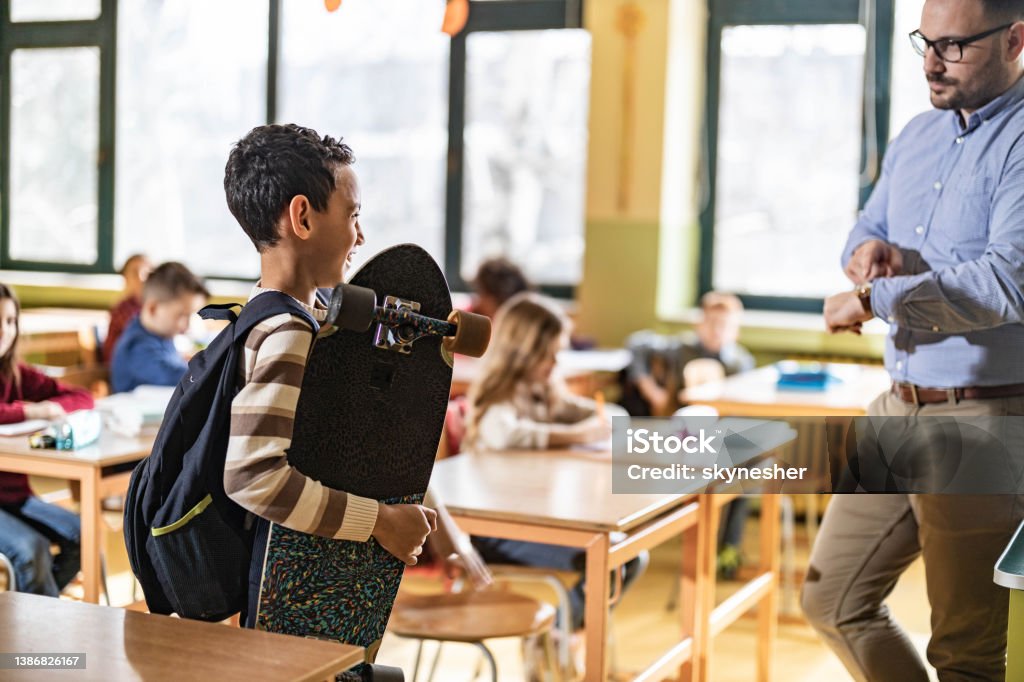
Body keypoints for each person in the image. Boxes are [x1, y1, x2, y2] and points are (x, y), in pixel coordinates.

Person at [814, 1, 1024, 679]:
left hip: (983, 420)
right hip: (896, 408)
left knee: (964, 652)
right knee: (831, 598)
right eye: (924, 43)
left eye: (954, 46)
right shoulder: (915, 135)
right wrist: (868, 251)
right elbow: (867, 222)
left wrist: (875, 298)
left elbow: (1006, 280)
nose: (931, 63)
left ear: (1016, 38)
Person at [221, 123, 459, 630]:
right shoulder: (288, 331)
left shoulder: (259, 312)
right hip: (285, 587)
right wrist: (380, 522)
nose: (361, 235)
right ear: (302, 217)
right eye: (353, 216)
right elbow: (253, 477)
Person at [462, 292, 645, 656]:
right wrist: (579, 434)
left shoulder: (542, 389)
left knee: (627, 556)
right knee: (612, 560)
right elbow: (505, 433)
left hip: (538, 520)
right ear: (522, 352)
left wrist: (605, 417)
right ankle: (554, 640)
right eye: (548, 355)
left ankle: (557, 636)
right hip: (496, 531)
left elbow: (597, 413)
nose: (554, 363)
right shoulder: (500, 393)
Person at [0, 284, 93, 596]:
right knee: (33, 551)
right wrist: (31, 411)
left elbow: (80, 396)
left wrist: (53, 408)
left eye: (11, 321)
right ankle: (38, 637)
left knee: (84, 534)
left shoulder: (16, 374)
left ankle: (29, 617)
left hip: (15, 497)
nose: (4, 330)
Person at [622, 291, 754, 417]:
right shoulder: (682, 347)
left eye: (724, 325)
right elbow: (637, 343)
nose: (717, 331)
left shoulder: (741, 363)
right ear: (699, 324)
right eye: (711, 322)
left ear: (736, 331)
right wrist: (650, 390)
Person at [110, 261, 210, 393]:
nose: (188, 325)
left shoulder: (160, 334)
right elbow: (176, 376)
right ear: (153, 309)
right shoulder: (136, 347)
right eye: (182, 315)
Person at [103, 254, 153, 363]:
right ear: (125, 278)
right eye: (135, 272)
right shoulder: (123, 309)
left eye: (147, 272)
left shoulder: (147, 306)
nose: (141, 277)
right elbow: (146, 339)